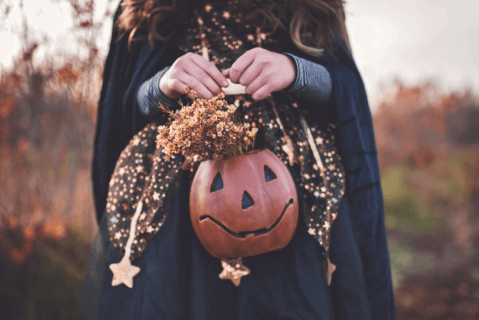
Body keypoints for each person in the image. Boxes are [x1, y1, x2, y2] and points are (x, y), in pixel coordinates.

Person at [80, 0, 396, 319]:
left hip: (299, 190)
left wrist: (295, 70)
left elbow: (344, 90)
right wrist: (163, 83)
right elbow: (124, 110)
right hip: (181, 197)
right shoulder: (146, 7)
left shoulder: (311, 5)